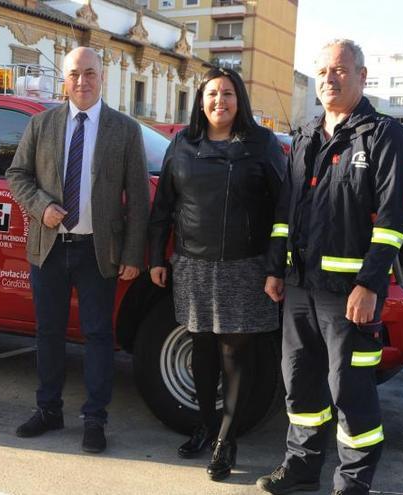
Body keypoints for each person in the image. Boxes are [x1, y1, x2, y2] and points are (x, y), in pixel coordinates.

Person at [256, 39, 403, 495]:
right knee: (300, 386)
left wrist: (369, 285)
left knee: (350, 393)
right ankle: (301, 469)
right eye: (323, 70)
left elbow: (392, 221)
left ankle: (352, 485)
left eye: (341, 70)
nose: (329, 78)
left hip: (349, 295)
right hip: (299, 289)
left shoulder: (383, 135)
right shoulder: (305, 136)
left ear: (362, 76)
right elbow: (287, 211)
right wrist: (275, 268)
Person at [5, 47, 150, 453]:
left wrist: (134, 255)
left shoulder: (124, 129)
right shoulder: (42, 123)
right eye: (74, 74)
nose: (82, 81)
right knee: (48, 333)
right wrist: (41, 207)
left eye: (90, 73)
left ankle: (94, 419)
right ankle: (48, 410)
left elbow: (138, 198)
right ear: (64, 79)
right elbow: (16, 175)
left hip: (97, 252)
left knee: (98, 336)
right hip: (49, 248)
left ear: (102, 77)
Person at [148, 67, 286, 481]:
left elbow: (283, 212)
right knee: (202, 351)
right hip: (192, 264)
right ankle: (205, 426)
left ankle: (226, 440)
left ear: (239, 99)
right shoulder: (183, 144)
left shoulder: (262, 144)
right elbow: (164, 208)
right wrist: (158, 255)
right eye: (211, 94)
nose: (219, 102)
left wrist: (276, 266)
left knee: (234, 355)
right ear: (200, 100)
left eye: (227, 94)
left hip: (245, 266)